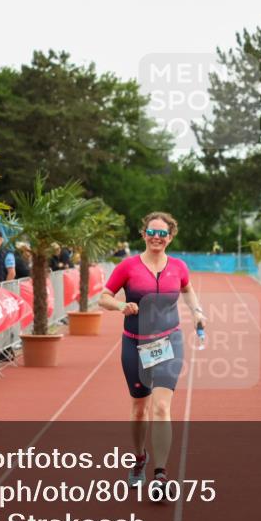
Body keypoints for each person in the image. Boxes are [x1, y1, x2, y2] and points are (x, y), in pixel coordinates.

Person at [98, 212, 205, 496]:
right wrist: (120, 306)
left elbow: (188, 290)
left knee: (161, 407)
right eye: (152, 232)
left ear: (170, 237)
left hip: (169, 342)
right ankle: (139, 456)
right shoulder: (128, 267)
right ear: (143, 234)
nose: (157, 237)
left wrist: (197, 313)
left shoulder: (179, 267)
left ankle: (160, 472)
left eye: (162, 233)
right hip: (134, 344)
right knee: (139, 409)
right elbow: (103, 297)